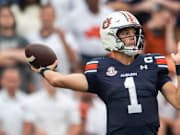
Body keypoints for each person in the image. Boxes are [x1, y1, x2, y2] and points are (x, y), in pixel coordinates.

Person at [30, 11, 180, 135]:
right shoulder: (100, 68)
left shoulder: (153, 63)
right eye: (126, 33)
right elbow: (58, 81)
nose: (132, 37)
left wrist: (179, 67)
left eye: (134, 32)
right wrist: (43, 70)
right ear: (111, 36)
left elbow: (178, 102)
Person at [0, 67, 33, 135]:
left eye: (14, 81)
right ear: (2, 81)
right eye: (8, 81)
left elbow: (28, 125)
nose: (11, 84)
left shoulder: (27, 100)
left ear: (19, 81)